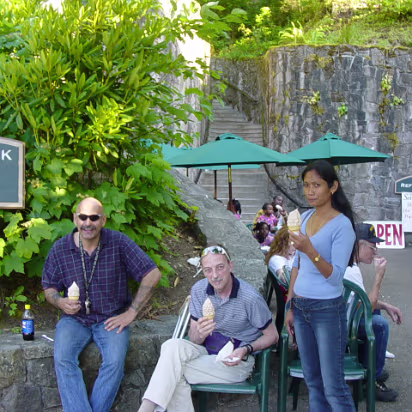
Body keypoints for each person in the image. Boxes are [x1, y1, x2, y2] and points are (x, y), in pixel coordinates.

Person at [41, 197, 161, 412]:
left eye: (94, 217)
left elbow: (152, 273)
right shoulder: (60, 248)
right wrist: (61, 302)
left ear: (103, 220)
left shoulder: (118, 242)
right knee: (62, 359)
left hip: (111, 317)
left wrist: (132, 312)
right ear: (75, 218)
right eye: (83, 217)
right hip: (74, 319)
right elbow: (49, 287)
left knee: (114, 362)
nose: (88, 223)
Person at [137, 245, 278, 412]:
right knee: (171, 346)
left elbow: (273, 335)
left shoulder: (250, 298)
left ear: (230, 266)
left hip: (236, 360)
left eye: (220, 267)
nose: (215, 275)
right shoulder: (199, 290)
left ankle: (145, 408)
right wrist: (199, 333)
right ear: (203, 271)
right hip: (206, 350)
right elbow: (195, 339)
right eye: (208, 270)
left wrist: (246, 349)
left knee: (172, 371)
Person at [285, 160, 357, 411]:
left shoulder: (342, 225)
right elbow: (296, 263)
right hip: (301, 307)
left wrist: (310, 249)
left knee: (334, 387)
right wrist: (289, 305)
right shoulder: (304, 218)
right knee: (312, 382)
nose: (310, 191)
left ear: (333, 187)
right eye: (306, 185)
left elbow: (336, 277)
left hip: (327, 310)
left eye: (317, 185)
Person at [344, 223, 402, 402]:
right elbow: (366, 305)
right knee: (379, 325)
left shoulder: (349, 262)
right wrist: (378, 277)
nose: (375, 251)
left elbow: (359, 301)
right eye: (372, 246)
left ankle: (367, 367)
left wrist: (385, 306)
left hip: (338, 317)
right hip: (338, 326)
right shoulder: (350, 269)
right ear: (358, 245)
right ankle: (370, 381)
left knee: (376, 316)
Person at [265, 227, 296, 292]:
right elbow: (286, 280)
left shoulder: (291, 255)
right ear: (284, 243)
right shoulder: (276, 259)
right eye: (293, 242)